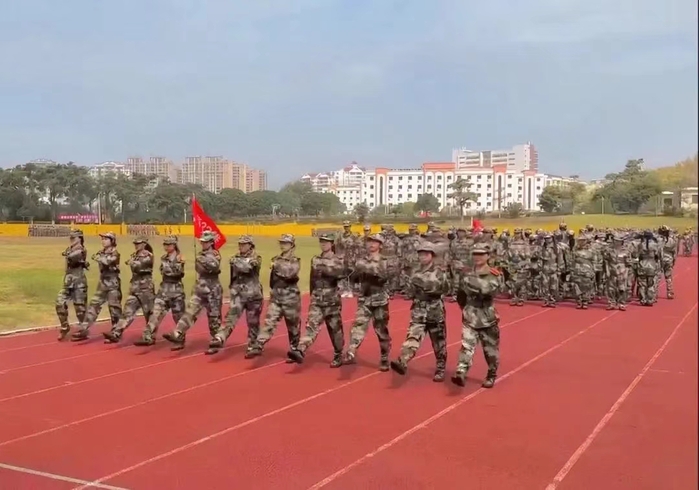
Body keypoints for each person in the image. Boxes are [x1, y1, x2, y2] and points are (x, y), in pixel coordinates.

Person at [389, 242, 449, 381]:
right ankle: (403, 361)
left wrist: (423, 286)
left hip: (435, 311)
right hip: (419, 310)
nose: (422, 257)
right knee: (412, 337)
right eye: (420, 254)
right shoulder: (414, 272)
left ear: (432, 255)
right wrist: (410, 286)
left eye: (426, 254)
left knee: (438, 342)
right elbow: (410, 293)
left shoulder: (439, 272)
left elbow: (443, 289)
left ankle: (440, 368)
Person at [288, 233, 345, 367]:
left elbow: (339, 275)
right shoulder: (315, 259)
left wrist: (325, 269)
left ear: (332, 244)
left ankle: (338, 354)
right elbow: (312, 278)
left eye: (326, 242)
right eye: (321, 242)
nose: (323, 244)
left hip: (332, 301)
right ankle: (300, 350)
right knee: (311, 326)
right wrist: (312, 294)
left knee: (335, 330)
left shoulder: (338, 260)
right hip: (317, 300)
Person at [162, 231, 223, 351]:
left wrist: (202, 261)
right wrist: (204, 263)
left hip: (213, 290)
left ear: (211, 242)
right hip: (200, 288)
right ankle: (177, 333)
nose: (202, 243)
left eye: (205, 242)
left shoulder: (215, 254)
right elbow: (200, 269)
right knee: (190, 312)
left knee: (214, 318)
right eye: (202, 241)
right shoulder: (200, 254)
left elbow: (214, 267)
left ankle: (216, 342)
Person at [452, 244, 502, 389]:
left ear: (488, 256)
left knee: (490, 350)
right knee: (466, 346)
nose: (477, 257)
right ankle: (461, 371)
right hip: (470, 315)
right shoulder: (466, 272)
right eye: (475, 254)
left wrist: (470, 280)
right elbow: (460, 294)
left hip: (487, 317)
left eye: (481, 254)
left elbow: (487, 290)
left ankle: (491, 374)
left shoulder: (494, 274)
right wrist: (465, 308)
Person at [248, 234, 302, 360]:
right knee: (269, 321)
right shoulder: (275, 259)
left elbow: (290, 273)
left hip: (291, 298)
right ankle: (259, 345)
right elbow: (273, 278)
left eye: (286, 243)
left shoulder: (295, 260)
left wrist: (276, 266)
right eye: (281, 243)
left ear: (292, 245)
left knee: (293, 327)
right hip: (276, 297)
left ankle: (294, 349)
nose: (283, 245)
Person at [208, 235, 263, 356]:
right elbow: (234, 271)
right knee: (230, 317)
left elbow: (247, 268)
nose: (241, 246)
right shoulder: (235, 257)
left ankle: (253, 345)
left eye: (244, 244)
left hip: (253, 296)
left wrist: (238, 262)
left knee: (253, 322)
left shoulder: (256, 258)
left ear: (250, 245)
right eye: (240, 244)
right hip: (238, 294)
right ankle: (220, 338)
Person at [344, 234, 392, 371]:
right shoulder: (361, 261)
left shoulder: (385, 261)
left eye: (375, 242)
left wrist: (367, 269)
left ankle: (384, 358)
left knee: (381, 331)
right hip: (364, 299)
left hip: (380, 301)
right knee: (358, 325)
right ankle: (351, 351)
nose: (371, 244)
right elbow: (353, 276)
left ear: (380, 245)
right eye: (369, 242)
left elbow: (384, 276)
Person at [136, 235, 187, 346]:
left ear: (174, 245)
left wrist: (168, 270)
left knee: (178, 317)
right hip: (163, 290)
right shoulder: (163, 257)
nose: (166, 247)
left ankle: (179, 339)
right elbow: (163, 271)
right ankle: (147, 336)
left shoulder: (179, 257)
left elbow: (178, 273)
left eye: (169, 244)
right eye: (165, 244)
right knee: (155, 313)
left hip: (176, 291)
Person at [103, 237, 156, 343]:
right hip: (135, 288)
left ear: (144, 244)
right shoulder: (134, 255)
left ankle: (149, 336)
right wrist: (132, 262)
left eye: (138, 243)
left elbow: (141, 266)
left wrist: (133, 263)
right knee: (127, 312)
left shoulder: (148, 255)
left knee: (149, 314)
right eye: (135, 243)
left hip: (146, 288)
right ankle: (116, 333)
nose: (136, 245)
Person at [72, 232, 122, 341]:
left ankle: (116, 333)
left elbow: (107, 262)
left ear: (112, 241)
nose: (103, 241)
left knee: (114, 309)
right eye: (102, 239)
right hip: (102, 283)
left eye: (106, 239)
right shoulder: (101, 252)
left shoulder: (115, 253)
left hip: (113, 283)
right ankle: (84, 329)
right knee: (93, 305)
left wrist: (98, 258)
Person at [56, 229, 89, 341]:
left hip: (79, 282)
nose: (71, 240)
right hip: (68, 281)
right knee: (60, 302)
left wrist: (68, 254)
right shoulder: (69, 249)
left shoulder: (81, 250)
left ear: (80, 238)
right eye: (71, 238)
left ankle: (84, 331)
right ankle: (64, 327)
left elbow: (72, 256)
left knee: (80, 309)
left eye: (73, 238)